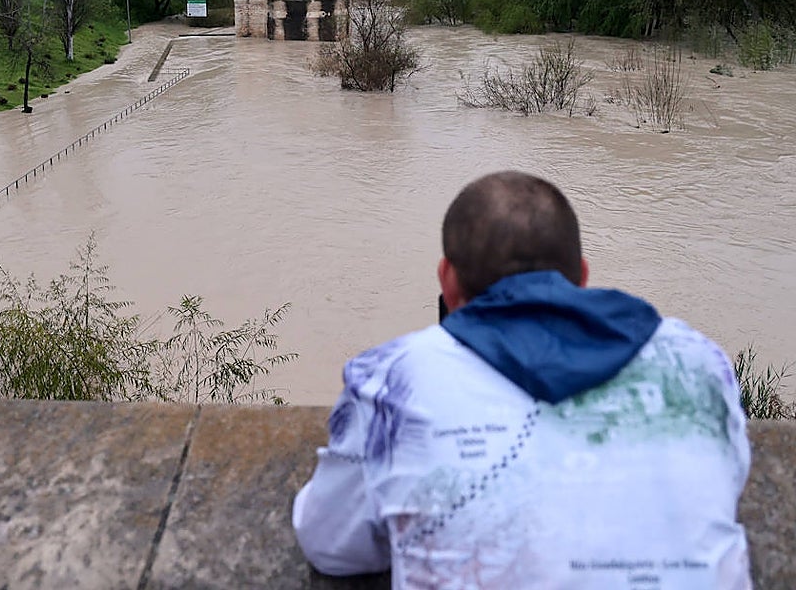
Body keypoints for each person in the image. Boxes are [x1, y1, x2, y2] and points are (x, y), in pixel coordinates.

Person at [293, 171, 751, 588]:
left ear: (446, 280)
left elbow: (332, 545)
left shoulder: (394, 377)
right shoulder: (698, 360)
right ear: (582, 277)